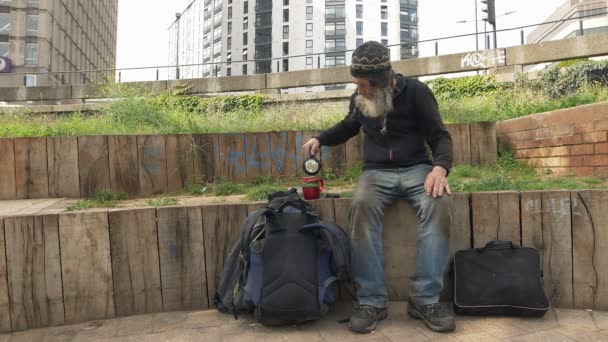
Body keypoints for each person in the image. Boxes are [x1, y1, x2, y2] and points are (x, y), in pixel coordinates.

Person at [302, 41, 454, 334]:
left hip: (417, 170)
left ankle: (425, 300)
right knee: (360, 206)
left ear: (383, 82)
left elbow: (440, 136)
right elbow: (348, 126)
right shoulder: (359, 98)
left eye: (363, 85)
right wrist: (320, 138)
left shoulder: (417, 93)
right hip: (376, 173)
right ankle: (371, 301)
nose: (359, 90)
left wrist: (440, 167)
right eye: (356, 84)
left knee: (440, 204)